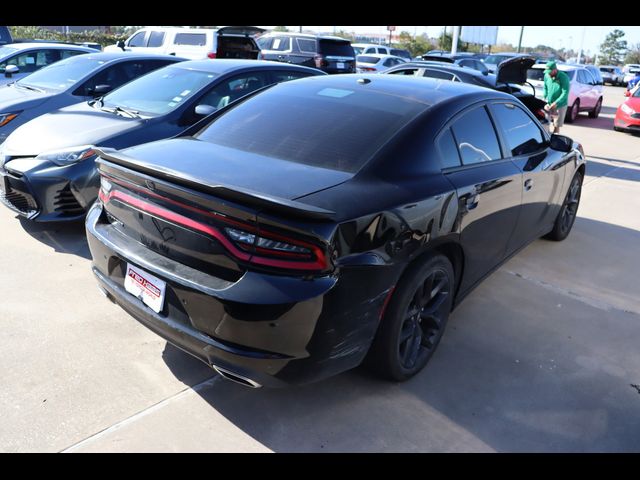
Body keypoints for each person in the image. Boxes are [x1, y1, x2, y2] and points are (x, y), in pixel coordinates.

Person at [542, 60, 570, 134]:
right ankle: (546, 136)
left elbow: (565, 92)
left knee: (556, 125)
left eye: (550, 71)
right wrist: (544, 97)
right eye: (547, 71)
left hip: (560, 105)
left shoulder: (563, 77)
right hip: (549, 103)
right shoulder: (546, 76)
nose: (548, 73)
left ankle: (555, 138)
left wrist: (557, 102)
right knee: (545, 122)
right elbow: (545, 87)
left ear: (555, 70)